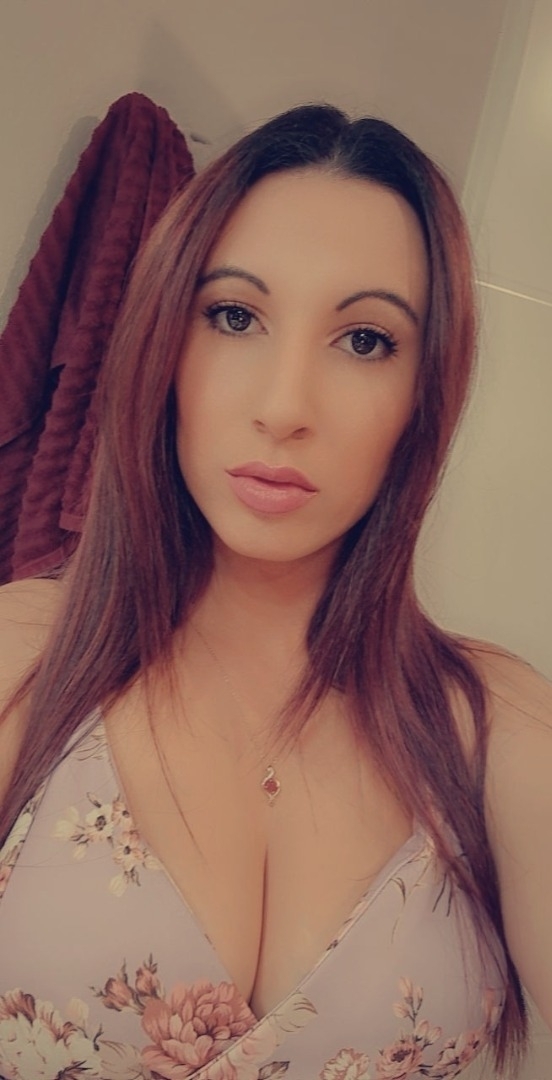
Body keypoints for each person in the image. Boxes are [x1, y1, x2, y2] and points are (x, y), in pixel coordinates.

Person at [0, 103, 549, 1080]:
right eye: (234, 316)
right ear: (164, 345)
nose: (286, 406)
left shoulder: (494, 726)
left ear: (425, 394)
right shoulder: (20, 660)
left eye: (366, 340)